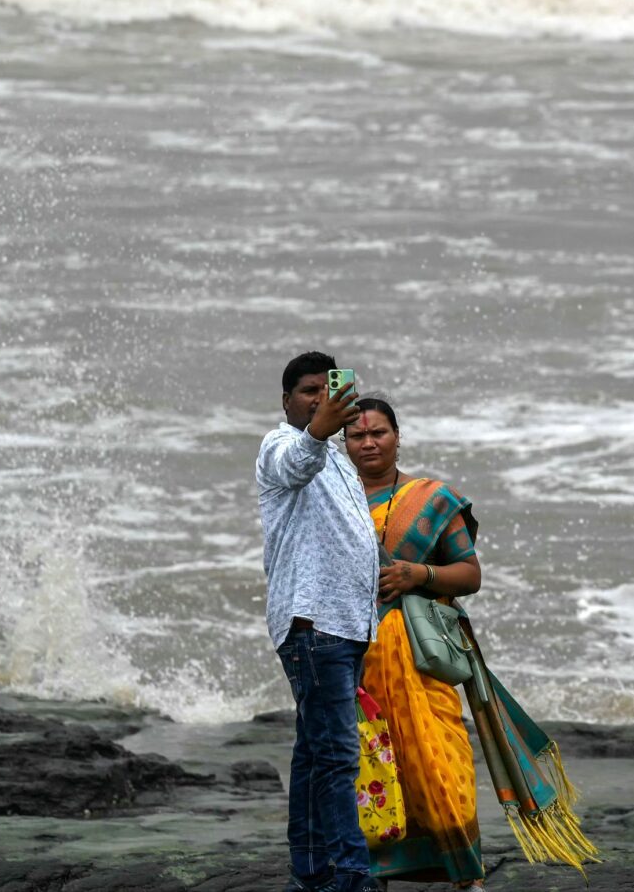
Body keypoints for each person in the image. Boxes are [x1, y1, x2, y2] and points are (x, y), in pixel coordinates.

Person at [347, 394, 598, 889]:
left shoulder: (433, 500)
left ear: (398, 436)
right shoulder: (334, 499)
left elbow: (470, 574)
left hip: (421, 656)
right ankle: (378, 872)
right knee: (373, 764)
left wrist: (417, 573)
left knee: (441, 758)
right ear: (344, 443)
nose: (369, 442)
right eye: (357, 435)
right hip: (355, 655)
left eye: (379, 432)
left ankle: (466, 876)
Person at [257, 351, 384, 892]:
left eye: (326, 389)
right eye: (309, 391)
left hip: (344, 626)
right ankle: (351, 874)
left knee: (315, 754)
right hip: (315, 625)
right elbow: (295, 465)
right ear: (287, 400)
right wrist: (317, 431)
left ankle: (311, 872)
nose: (319, 399)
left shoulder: (336, 456)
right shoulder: (281, 445)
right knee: (337, 757)